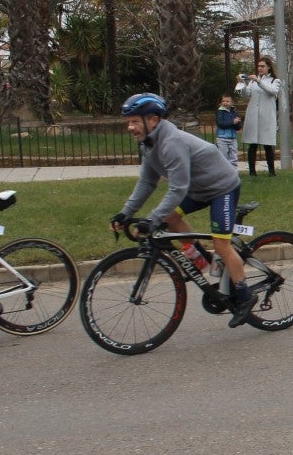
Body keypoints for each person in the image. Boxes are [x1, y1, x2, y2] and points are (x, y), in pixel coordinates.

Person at [110, 93, 257, 327]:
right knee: (170, 218)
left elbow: (178, 188)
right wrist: (125, 213)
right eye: (128, 121)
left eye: (135, 121)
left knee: (221, 243)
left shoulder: (171, 143)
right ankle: (204, 263)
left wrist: (152, 219)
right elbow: (147, 182)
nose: (130, 127)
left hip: (222, 188)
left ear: (154, 120)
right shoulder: (149, 143)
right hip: (198, 189)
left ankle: (245, 296)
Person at [240, 55, 281, 177]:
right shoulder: (252, 81)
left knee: (268, 144)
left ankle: (271, 171)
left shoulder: (275, 81)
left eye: (262, 66)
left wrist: (259, 81)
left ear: (268, 67)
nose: (260, 68)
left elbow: (272, 91)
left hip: (267, 117)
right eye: (258, 66)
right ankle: (252, 172)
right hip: (253, 115)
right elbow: (246, 95)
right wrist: (242, 83)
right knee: (253, 144)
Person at [215, 93, 243, 164]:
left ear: (232, 103)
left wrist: (237, 123)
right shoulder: (220, 112)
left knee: (234, 158)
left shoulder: (234, 113)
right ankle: (224, 174)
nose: (225, 103)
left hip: (233, 138)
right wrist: (232, 122)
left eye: (227, 101)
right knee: (223, 158)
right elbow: (221, 124)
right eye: (223, 101)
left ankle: (233, 173)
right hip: (222, 138)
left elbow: (238, 128)